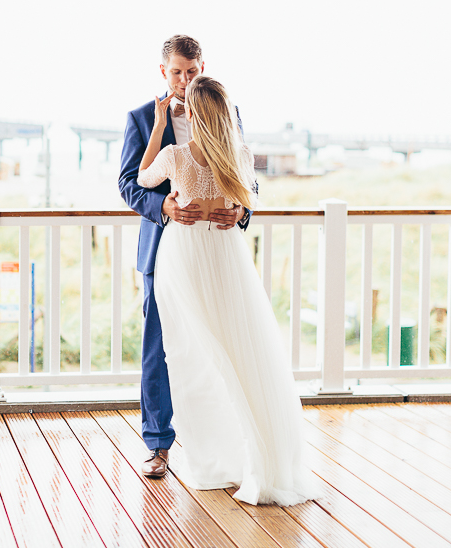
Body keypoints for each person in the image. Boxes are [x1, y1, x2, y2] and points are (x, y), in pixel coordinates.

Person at [136, 76, 319, 506]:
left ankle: (212, 463)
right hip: (226, 257)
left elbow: (144, 179)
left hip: (185, 259)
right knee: (240, 350)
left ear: (194, 113)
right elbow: (248, 198)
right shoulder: (240, 153)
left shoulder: (175, 154)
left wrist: (161, 125)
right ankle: (246, 457)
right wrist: (236, 207)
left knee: (192, 359)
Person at [118, 35, 250, 479]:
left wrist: (242, 209)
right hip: (165, 253)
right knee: (159, 350)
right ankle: (158, 445)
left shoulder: (226, 112)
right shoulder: (142, 118)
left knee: (222, 345)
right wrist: (164, 207)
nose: (184, 80)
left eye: (192, 71)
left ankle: (225, 448)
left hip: (217, 253)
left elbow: (244, 176)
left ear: (203, 67)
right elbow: (129, 184)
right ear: (163, 72)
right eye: (176, 71)